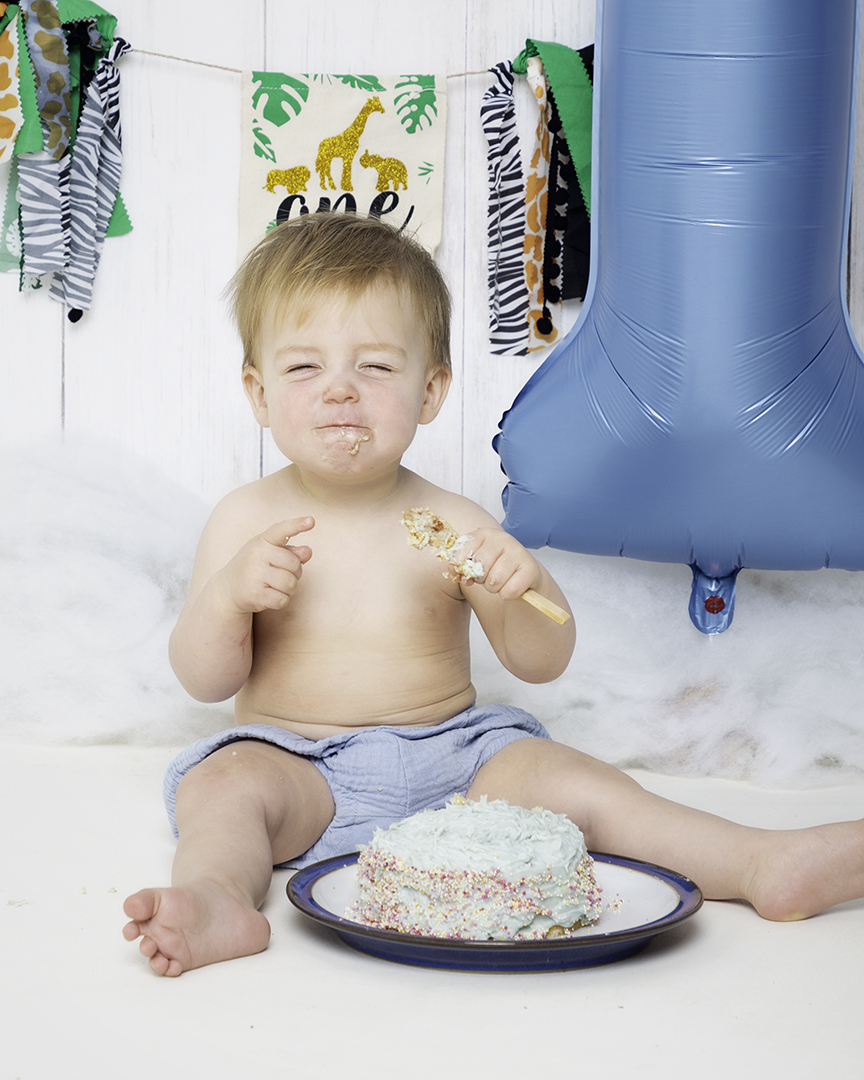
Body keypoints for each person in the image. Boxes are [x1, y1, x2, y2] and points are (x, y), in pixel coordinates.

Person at [123, 212, 864, 976]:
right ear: (258, 392)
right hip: (301, 766)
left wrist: (524, 586)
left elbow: (541, 660)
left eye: (375, 367)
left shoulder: (450, 524)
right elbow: (204, 680)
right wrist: (228, 600)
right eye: (304, 368)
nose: (340, 391)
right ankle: (217, 900)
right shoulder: (245, 520)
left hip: (456, 762)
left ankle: (758, 862)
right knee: (225, 786)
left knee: (575, 781)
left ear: (431, 390)